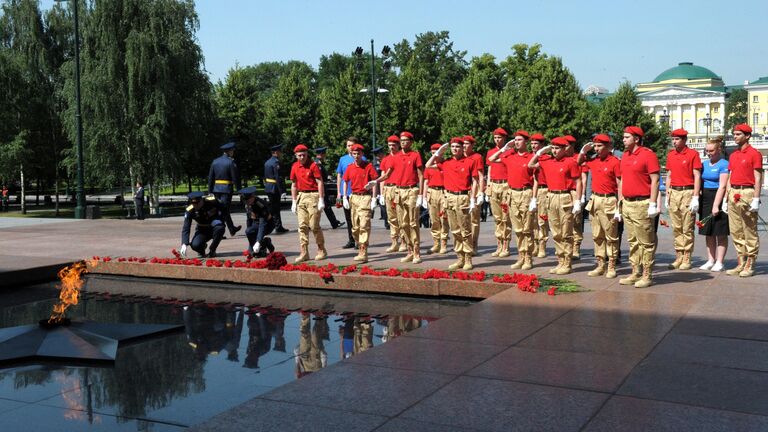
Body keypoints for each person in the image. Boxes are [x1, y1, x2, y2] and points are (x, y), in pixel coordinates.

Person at [528, 137, 583, 274]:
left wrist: (577, 200)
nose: (554, 151)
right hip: (551, 196)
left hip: (565, 196)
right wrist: (540, 152)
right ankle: (560, 261)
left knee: (566, 232)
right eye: (552, 148)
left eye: (557, 148)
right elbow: (530, 165)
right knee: (556, 232)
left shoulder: (570, 162)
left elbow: (578, 182)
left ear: (564, 149)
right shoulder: (547, 161)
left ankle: (567, 262)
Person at [425, 141, 479, 270]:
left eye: (458, 147)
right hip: (449, 197)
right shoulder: (446, 162)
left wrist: (473, 198)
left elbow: (475, 181)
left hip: (462, 197)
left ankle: (468, 259)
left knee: (465, 230)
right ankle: (459, 258)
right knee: (455, 230)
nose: (455, 149)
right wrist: (438, 153)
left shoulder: (469, 162)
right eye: (453, 147)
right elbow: (428, 165)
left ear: (462, 148)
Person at [488, 130, 537, 270]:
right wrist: (504, 149)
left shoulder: (531, 157)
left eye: (519, 140)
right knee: (518, 229)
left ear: (526, 142)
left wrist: (534, 198)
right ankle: (521, 257)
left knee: (527, 229)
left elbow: (536, 180)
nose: (516, 142)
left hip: (526, 193)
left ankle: (528, 258)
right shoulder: (510, 156)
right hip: (512, 194)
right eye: (515, 140)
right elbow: (492, 160)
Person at [618, 126, 660, 288]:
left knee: (646, 242)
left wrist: (652, 203)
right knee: (633, 240)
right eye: (623, 137)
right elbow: (622, 181)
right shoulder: (625, 156)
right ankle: (635, 271)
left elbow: (655, 180)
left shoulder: (648, 155)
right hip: (628, 203)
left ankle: (647, 274)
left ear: (636, 139)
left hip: (642, 203)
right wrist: (620, 202)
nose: (623, 139)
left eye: (626, 137)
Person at [578, 134, 621, 278]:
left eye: (599, 146)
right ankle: (600, 264)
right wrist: (583, 151)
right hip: (595, 200)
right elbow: (578, 163)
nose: (596, 149)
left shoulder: (615, 161)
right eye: (595, 146)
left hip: (609, 200)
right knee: (597, 235)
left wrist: (619, 206)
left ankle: (611, 265)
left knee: (611, 236)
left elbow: (620, 183)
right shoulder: (593, 160)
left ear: (608, 147)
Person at [724, 124, 762, 277]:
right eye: (734, 134)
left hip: (747, 192)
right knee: (736, 229)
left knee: (749, 229)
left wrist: (756, 198)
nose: (735, 136)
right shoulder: (733, 155)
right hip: (733, 191)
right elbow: (730, 176)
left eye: (738, 134)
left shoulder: (754, 154)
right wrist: (726, 198)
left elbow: (758, 178)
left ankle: (750, 263)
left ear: (747, 136)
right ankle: (741, 261)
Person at [664, 128, 702, 270]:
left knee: (687, 227)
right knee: (677, 227)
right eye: (673, 139)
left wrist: (695, 197)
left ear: (684, 140)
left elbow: (697, 175)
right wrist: (667, 195)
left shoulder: (693, 154)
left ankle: (687, 256)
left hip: (687, 191)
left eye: (677, 139)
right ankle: (679, 255)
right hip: (674, 192)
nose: (674, 142)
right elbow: (669, 175)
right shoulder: (671, 154)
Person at [290, 144, 327, 263]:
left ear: (307, 154)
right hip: (302, 196)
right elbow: (294, 185)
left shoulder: (313, 165)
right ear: (296, 156)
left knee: (314, 225)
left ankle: (321, 249)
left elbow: (319, 182)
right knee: (302, 226)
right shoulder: (295, 166)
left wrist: (321, 199)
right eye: (299, 155)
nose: (302, 157)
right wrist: (294, 201)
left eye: (304, 155)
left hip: (313, 196)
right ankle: (304, 252)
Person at [342, 143, 379, 262]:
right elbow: (345, 181)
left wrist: (374, 198)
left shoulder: (368, 166)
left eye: (358, 153)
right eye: (354, 154)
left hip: (365, 197)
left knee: (364, 225)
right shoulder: (350, 167)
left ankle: (363, 250)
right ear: (351, 154)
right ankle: (359, 246)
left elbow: (374, 182)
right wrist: (344, 197)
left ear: (362, 154)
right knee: (355, 227)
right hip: (354, 198)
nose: (357, 156)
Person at [698, 137, 730, 272]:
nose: (709, 153)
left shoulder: (724, 164)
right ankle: (710, 259)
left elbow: (722, 186)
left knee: (720, 231)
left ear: (719, 150)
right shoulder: (704, 164)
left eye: (711, 150)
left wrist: (716, 205)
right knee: (708, 231)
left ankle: (720, 261)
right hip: (705, 197)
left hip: (718, 197)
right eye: (707, 151)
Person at [393, 131, 424, 263]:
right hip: (399, 191)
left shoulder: (415, 155)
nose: (403, 142)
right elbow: (389, 173)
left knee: (412, 222)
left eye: (406, 140)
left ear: (411, 142)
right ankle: (409, 250)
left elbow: (421, 175)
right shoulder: (397, 156)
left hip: (412, 190)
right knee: (402, 223)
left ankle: (417, 252)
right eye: (401, 140)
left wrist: (421, 194)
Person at [486, 128, 512, 258]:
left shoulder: (510, 151)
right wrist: (488, 185)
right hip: (494, 184)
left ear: (504, 138)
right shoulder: (491, 152)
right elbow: (490, 167)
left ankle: (506, 246)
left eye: (499, 137)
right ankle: (499, 245)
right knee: (497, 217)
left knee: (505, 217)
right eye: (495, 137)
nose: (497, 140)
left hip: (506, 185)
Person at [207, 141, 242, 236]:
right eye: (232, 150)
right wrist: (239, 190)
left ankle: (231, 228)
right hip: (226, 190)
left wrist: (209, 191)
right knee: (223, 210)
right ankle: (218, 232)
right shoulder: (231, 162)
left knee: (222, 210)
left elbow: (211, 177)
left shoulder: (215, 161)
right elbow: (235, 178)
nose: (233, 152)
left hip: (216, 189)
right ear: (229, 151)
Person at [336, 137, 364, 249]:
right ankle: (351, 240)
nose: (350, 148)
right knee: (349, 218)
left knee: (359, 218)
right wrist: (339, 193)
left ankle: (360, 240)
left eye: (352, 145)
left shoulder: (362, 159)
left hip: (358, 193)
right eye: (348, 145)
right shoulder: (342, 159)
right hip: (346, 194)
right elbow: (339, 176)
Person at [179, 192, 225, 258]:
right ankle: (202, 250)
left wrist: (222, 220)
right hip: (202, 230)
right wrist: (184, 244)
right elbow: (186, 227)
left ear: (201, 200)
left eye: (197, 203)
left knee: (220, 227)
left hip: (215, 227)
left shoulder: (212, 201)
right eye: (193, 204)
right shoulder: (190, 209)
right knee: (195, 245)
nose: (196, 206)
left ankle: (212, 250)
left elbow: (224, 208)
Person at [422, 143, 449, 254]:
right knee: (434, 220)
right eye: (433, 153)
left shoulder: (446, 163)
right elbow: (426, 182)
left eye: (437, 153)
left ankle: (443, 243)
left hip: (443, 192)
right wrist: (423, 197)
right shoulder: (430, 166)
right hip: (432, 192)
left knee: (444, 219)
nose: (435, 155)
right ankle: (436, 243)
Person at [564, 134, 585, 260]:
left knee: (576, 221)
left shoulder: (579, 158)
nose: (565, 148)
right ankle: (567, 248)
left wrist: (581, 196)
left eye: (566, 146)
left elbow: (583, 177)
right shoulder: (561, 158)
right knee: (565, 222)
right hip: (564, 192)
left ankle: (576, 247)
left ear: (572, 146)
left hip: (574, 191)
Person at [463, 135, 485, 255]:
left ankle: (474, 244)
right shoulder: (459, 157)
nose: (465, 146)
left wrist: (481, 192)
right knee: (462, 220)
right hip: (461, 191)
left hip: (474, 191)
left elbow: (480, 176)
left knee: (474, 220)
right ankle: (465, 243)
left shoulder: (477, 157)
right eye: (463, 144)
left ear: (472, 145)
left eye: (467, 144)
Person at [239, 186, 275, 258]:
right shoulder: (248, 205)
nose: (246, 203)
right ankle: (262, 245)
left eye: (248, 201)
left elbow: (263, 224)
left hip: (268, 225)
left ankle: (264, 244)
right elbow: (249, 220)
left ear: (252, 197)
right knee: (249, 231)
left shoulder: (261, 205)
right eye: (245, 201)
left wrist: (258, 242)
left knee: (257, 245)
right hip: (256, 224)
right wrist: (250, 247)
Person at [529, 134, 550, 258]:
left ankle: (542, 245)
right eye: (532, 144)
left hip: (543, 189)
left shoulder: (546, 158)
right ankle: (535, 244)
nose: (533, 146)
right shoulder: (528, 157)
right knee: (532, 221)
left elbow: (538, 179)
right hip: (529, 191)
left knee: (542, 220)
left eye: (536, 144)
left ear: (542, 145)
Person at [313, 147, 344, 229]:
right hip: (321, 188)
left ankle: (334, 222)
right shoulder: (318, 164)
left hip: (321, 187)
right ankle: (334, 223)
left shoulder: (317, 163)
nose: (325, 156)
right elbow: (319, 177)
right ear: (321, 154)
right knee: (326, 207)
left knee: (324, 207)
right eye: (324, 154)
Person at [264, 144, 290, 233]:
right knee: (275, 208)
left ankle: (276, 225)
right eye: (280, 151)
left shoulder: (267, 162)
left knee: (273, 208)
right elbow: (278, 178)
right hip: (274, 188)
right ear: (275, 152)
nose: (281, 153)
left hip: (269, 187)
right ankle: (277, 226)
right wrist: (282, 190)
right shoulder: (276, 163)